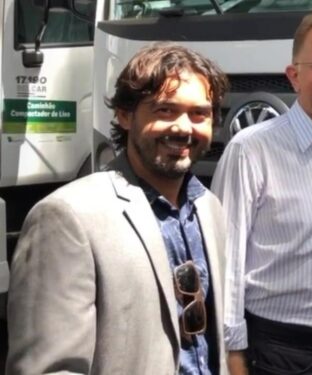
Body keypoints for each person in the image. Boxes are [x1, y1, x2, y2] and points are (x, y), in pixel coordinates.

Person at [6, 43, 230, 374]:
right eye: (165, 110)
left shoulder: (209, 209)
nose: (184, 127)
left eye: (199, 113)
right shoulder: (67, 217)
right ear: (124, 116)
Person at [211, 9, 312, 375]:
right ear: (294, 75)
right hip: (282, 357)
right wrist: (233, 358)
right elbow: (227, 264)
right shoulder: (251, 149)